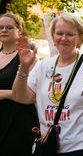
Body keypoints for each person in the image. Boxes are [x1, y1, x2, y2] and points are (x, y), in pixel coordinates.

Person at [12, 13, 83, 156]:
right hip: (48, 145)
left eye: (70, 34)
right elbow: (20, 97)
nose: (64, 38)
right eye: (59, 33)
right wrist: (23, 67)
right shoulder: (43, 66)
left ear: (79, 38)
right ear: (53, 36)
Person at [0, 13, 39, 156]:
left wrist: (3, 94)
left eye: (9, 27)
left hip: (20, 121)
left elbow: (33, 94)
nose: (4, 30)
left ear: (19, 30)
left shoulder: (28, 57)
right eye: (0, 27)